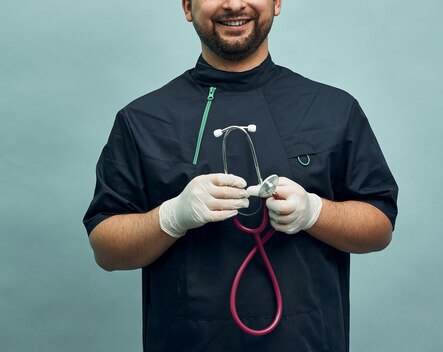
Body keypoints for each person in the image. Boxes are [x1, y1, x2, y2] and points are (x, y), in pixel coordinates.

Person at [83, 0, 398, 351]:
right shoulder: (142, 120)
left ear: (277, 3)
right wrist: (171, 217)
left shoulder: (333, 109)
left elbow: (380, 227)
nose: (234, 4)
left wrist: (315, 212)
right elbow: (106, 249)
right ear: (187, 6)